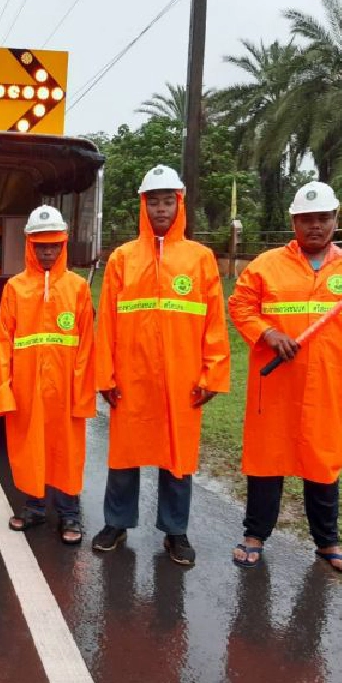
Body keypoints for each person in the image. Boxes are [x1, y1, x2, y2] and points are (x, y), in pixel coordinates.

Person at [228, 181, 342, 573]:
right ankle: (254, 535)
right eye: (306, 219)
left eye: (323, 218)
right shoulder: (265, 266)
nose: (315, 226)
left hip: (329, 386)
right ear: (294, 222)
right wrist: (269, 333)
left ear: (336, 219)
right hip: (276, 384)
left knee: (322, 461)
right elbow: (240, 306)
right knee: (267, 460)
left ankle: (327, 542)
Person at [92, 165, 231, 564]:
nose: (161, 208)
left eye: (168, 200)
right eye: (153, 201)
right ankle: (116, 523)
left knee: (177, 457)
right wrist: (106, 375)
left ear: (179, 204)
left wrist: (211, 375)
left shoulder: (199, 259)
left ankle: (176, 531)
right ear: (143, 205)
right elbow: (108, 325)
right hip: (132, 378)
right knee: (124, 455)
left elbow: (214, 325)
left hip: (182, 378)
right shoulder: (122, 259)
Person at [0, 205, 96, 545]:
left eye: (53, 244)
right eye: (41, 244)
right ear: (30, 245)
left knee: (67, 451)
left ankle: (69, 512)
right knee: (30, 448)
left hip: (66, 388)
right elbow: (3, 342)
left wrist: (82, 392)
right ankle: (34, 507)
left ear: (63, 244)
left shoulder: (78, 288)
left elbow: (87, 344)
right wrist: (5, 390)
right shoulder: (15, 288)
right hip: (27, 388)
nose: (48, 250)